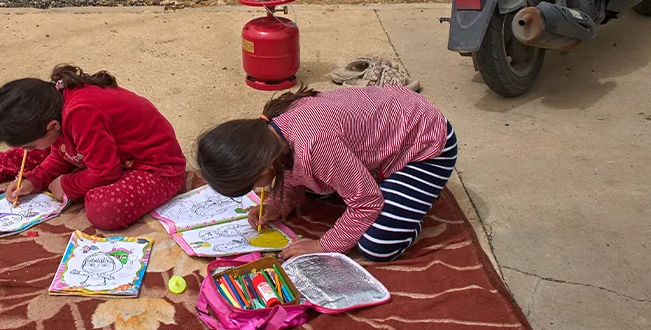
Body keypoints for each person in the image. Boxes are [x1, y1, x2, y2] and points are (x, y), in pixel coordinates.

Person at [195, 85, 458, 262]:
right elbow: (291, 172)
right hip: (388, 131)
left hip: (426, 144)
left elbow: (367, 203)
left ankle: (415, 209)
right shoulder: (271, 136)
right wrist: (278, 203)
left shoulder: (315, 146)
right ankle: (396, 188)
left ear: (262, 166)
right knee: (320, 182)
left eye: (251, 185)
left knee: (377, 246)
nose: (255, 192)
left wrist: (323, 245)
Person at [0, 65, 187, 230]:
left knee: (102, 209)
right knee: (40, 153)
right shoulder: (55, 109)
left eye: (30, 143)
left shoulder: (80, 114)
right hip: (108, 154)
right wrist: (36, 180)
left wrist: (66, 184)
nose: (30, 149)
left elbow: (106, 173)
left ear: (52, 125)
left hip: (157, 168)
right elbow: (61, 152)